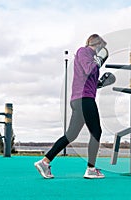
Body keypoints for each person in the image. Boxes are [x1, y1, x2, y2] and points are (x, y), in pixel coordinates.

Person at [34, 34, 108, 179]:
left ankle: (44, 162)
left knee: (71, 135)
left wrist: (100, 83)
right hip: (84, 99)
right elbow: (88, 69)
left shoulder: (90, 58)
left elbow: (88, 77)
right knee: (96, 132)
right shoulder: (84, 51)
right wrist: (99, 60)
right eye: (101, 47)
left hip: (81, 98)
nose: (101, 51)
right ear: (97, 44)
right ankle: (91, 169)